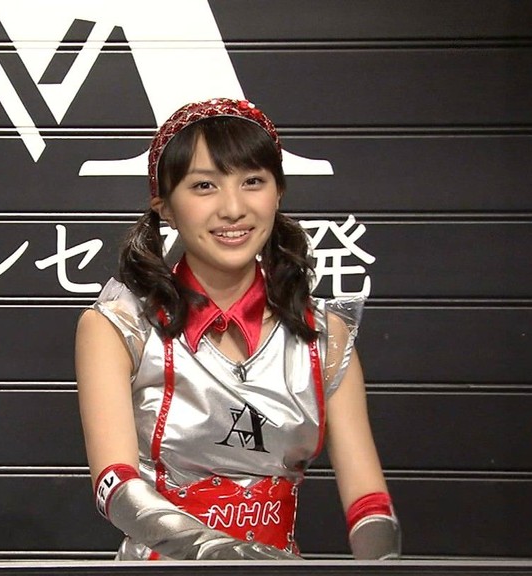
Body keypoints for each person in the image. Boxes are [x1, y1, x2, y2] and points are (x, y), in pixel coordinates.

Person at [75, 97, 401, 561]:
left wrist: (381, 567)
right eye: (204, 186)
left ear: (278, 192)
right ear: (165, 207)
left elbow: (369, 502)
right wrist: (230, 558)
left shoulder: (325, 336)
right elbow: (116, 488)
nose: (233, 208)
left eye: (253, 181)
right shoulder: (119, 327)